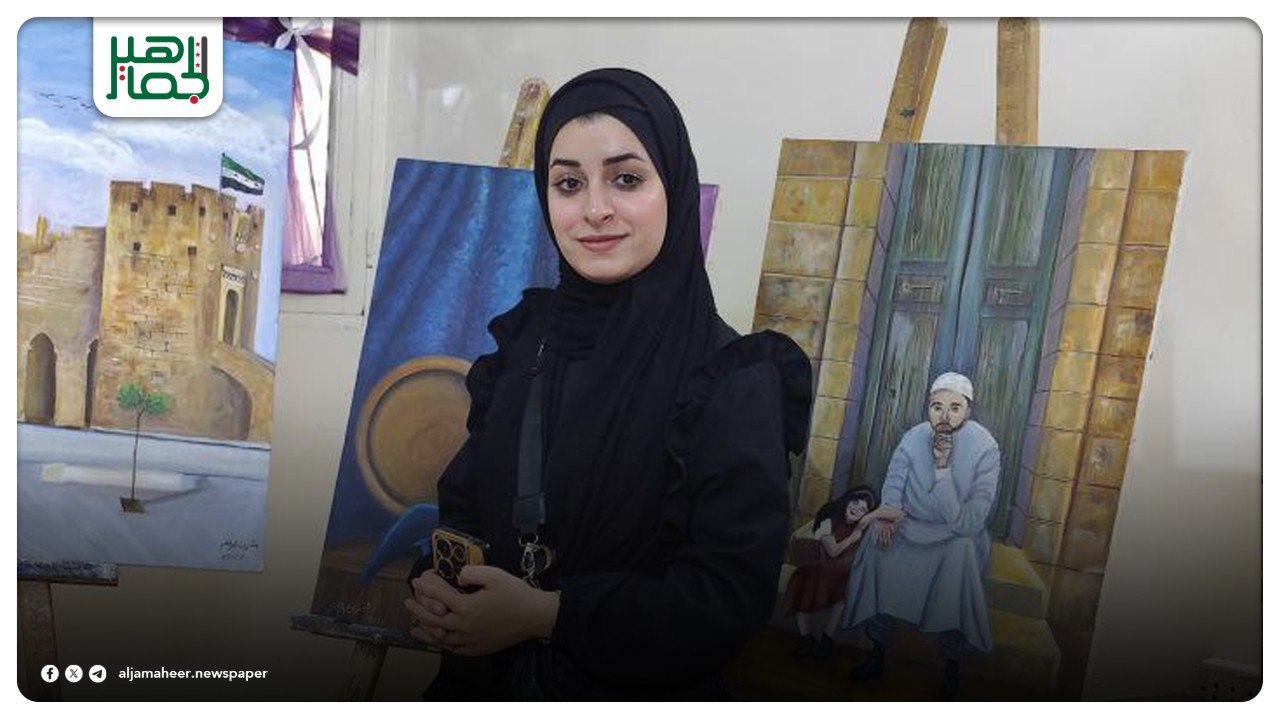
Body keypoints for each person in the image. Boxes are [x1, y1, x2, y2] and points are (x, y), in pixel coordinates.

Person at [402, 68, 812, 700]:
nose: (595, 209)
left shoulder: (731, 377)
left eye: (626, 179)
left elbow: (727, 598)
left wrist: (549, 615)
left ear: (673, 186)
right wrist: (436, 581)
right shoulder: (525, 345)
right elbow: (466, 508)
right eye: (569, 184)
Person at [841, 371, 1000, 699]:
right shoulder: (914, 437)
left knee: (960, 556)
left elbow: (969, 522)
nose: (944, 416)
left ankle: (951, 666)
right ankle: (877, 650)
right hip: (910, 525)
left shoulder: (986, 446)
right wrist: (888, 513)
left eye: (955, 408)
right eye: (937, 407)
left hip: (954, 535)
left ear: (968, 410)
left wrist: (942, 470)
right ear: (928, 407)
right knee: (878, 542)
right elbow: (895, 481)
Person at [781, 486, 886, 662]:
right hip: (820, 570)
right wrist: (853, 538)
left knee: (843, 598)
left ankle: (826, 641)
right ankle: (806, 638)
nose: (856, 509)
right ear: (847, 499)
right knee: (805, 589)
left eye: (862, 509)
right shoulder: (830, 515)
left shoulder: (864, 526)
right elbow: (833, 551)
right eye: (855, 502)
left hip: (842, 575)